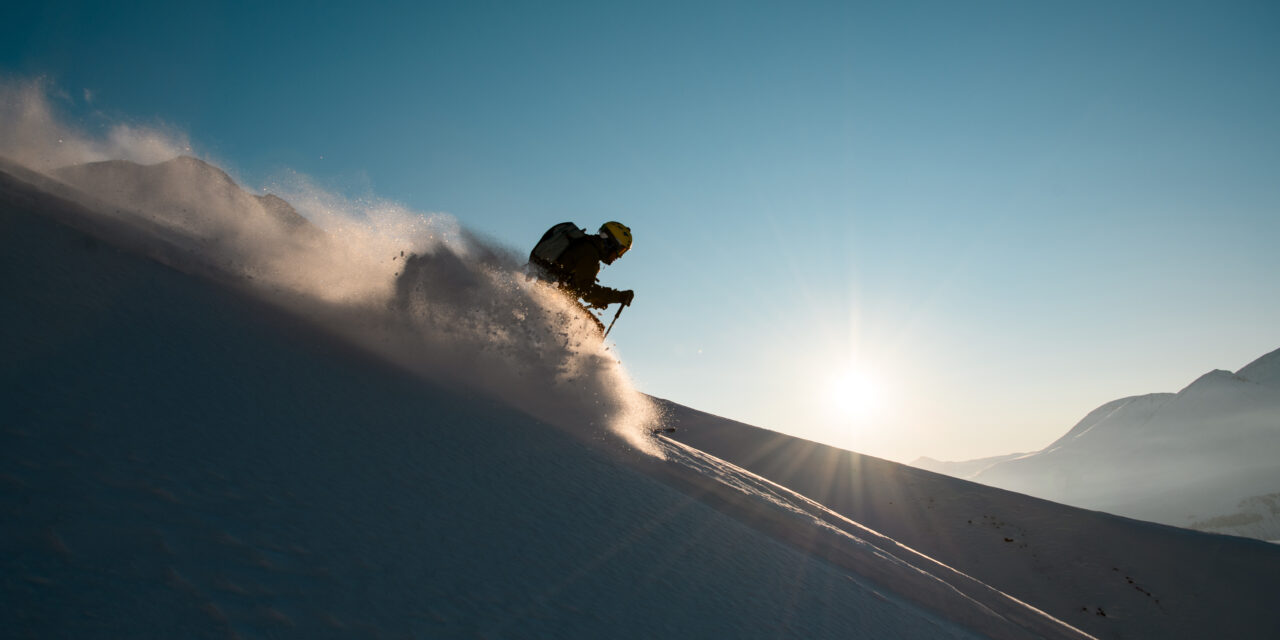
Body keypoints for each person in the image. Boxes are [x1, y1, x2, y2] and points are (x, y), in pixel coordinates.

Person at [528, 221, 635, 333]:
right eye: (620, 250)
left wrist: (597, 299)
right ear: (611, 243)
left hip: (547, 292)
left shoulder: (585, 245)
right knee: (594, 328)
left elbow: (575, 284)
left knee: (594, 327)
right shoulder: (590, 253)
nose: (619, 256)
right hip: (551, 297)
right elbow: (586, 290)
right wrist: (619, 296)